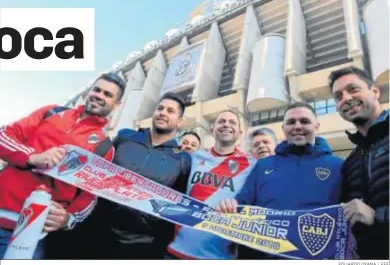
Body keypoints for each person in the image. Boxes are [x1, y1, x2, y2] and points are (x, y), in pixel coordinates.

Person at [0, 73, 126, 259]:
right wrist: (32, 157)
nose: (99, 95)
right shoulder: (52, 112)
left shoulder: (105, 147)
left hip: (31, 233)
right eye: (97, 90)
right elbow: (3, 137)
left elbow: (89, 197)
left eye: (108, 94)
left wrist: (69, 219)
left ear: (117, 105)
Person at [217, 103, 344, 259]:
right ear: (283, 129)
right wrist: (231, 205)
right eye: (291, 122)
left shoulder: (338, 166)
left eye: (304, 121)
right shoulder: (263, 165)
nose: (297, 126)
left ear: (317, 127)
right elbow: (243, 202)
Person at [90, 92, 192, 260]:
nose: (163, 113)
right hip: (95, 232)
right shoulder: (125, 137)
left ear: (180, 122)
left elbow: (175, 206)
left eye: (170, 111)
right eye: (160, 108)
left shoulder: (182, 159)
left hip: (140, 245)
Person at [166, 110, 257, 260]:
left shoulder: (252, 165)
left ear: (240, 133)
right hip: (176, 250)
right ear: (212, 130)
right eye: (221, 121)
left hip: (220, 256)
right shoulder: (194, 157)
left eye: (232, 122)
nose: (226, 124)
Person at [329, 66, 389, 260]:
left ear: (375, 91)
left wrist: (377, 216)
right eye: (338, 96)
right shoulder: (351, 161)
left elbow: (371, 215)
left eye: (353, 89)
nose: (345, 98)